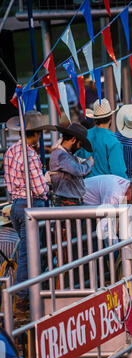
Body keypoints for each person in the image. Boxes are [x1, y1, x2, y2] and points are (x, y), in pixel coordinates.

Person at [4, 111, 56, 316]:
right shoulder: (31, 156)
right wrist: (46, 184)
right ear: (35, 134)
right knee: (30, 251)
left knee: (26, 250)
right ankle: (23, 296)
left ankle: (25, 292)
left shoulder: (10, 151)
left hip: (16, 204)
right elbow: (40, 188)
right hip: (31, 204)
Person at [83, 173, 132, 245]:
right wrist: (117, 247)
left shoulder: (125, 186)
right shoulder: (114, 194)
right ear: (131, 188)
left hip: (88, 205)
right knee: (92, 242)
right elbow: (106, 226)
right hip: (79, 204)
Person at [77, 99, 128, 179]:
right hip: (106, 187)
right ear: (111, 117)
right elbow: (119, 172)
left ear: (94, 118)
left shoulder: (84, 135)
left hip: (85, 185)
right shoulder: (113, 141)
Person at [49, 122, 94, 206]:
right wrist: (89, 163)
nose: (80, 147)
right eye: (80, 144)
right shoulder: (60, 155)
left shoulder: (64, 154)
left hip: (71, 201)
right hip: (67, 202)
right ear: (73, 140)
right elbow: (77, 170)